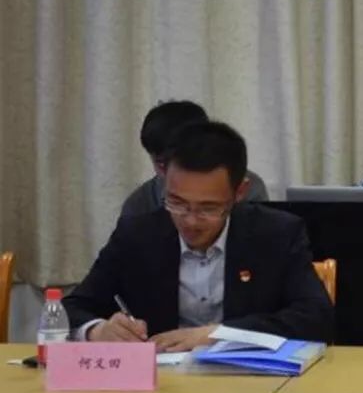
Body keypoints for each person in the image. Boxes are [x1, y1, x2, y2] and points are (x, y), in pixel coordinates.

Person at [65, 120, 334, 350]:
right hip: (160, 384)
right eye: (177, 203)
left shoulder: (276, 234)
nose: (191, 221)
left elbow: (316, 317)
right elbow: (71, 308)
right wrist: (97, 330)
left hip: (248, 383)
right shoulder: (137, 234)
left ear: (239, 192)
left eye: (209, 208)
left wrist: (219, 334)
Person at [120, 100, 269, 217]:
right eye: (162, 164)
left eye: (209, 207)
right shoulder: (139, 205)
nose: (192, 221)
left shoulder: (246, 188)